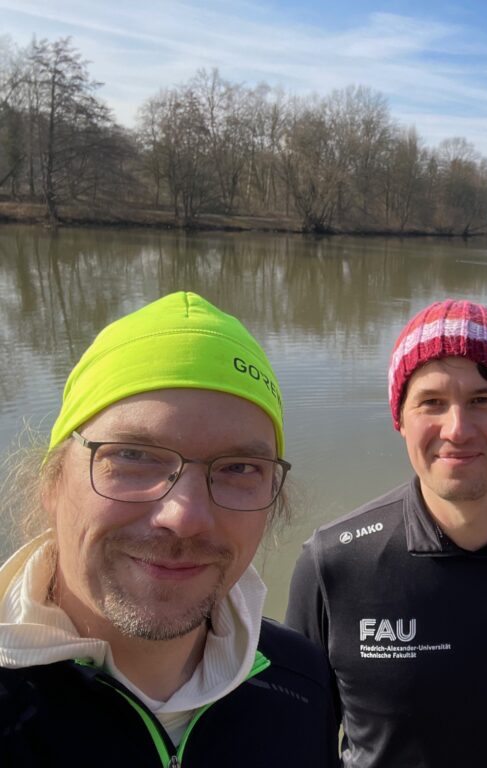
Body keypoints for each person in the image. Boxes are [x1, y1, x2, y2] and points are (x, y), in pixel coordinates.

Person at [0, 291, 340, 767]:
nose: (185, 518)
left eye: (239, 468)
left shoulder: (301, 681)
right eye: (133, 456)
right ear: (52, 482)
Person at [286, 298, 487, 768]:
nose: (457, 429)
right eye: (432, 403)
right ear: (400, 419)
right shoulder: (333, 563)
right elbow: (298, 741)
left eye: (483, 401)